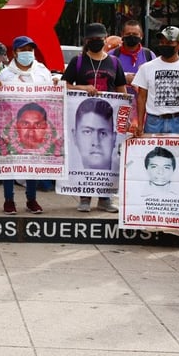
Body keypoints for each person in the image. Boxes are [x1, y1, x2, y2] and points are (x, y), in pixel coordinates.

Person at [62, 23, 127, 213]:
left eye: (100, 39)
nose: (97, 42)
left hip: (108, 118)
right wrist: (83, 88)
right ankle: (84, 197)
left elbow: (122, 90)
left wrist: (125, 110)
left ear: (105, 39)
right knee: (85, 156)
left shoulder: (114, 63)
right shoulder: (78, 61)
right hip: (84, 115)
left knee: (108, 157)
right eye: (93, 40)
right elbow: (65, 85)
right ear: (86, 41)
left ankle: (105, 198)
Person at [0, 35, 53, 214]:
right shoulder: (6, 74)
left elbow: (51, 96)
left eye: (30, 50)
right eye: (23, 50)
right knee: (9, 161)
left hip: (35, 125)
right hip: (12, 125)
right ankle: (8, 199)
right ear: (15, 52)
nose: (27, 53)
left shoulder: (42, 71)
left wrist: (56, 85)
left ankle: (31, 199)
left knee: (32, 163)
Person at [133, 26, 179, 142]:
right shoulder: (146, 68)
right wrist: (139, 124)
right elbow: (141, 98)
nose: (164, 45)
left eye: (169, 43)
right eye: (162, 42)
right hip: (153, 122)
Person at [72, 97, 116, 171]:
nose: (96, 142)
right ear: (75, 136)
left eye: (103, 133)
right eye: (87, 132)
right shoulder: (66, 181)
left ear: (114, 138)